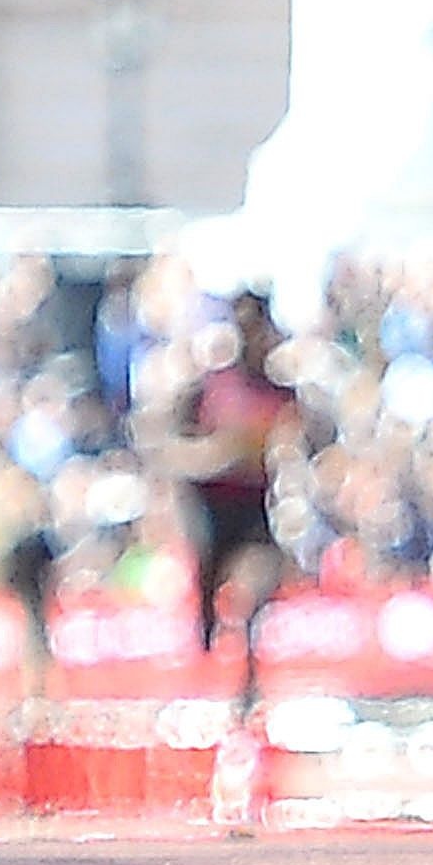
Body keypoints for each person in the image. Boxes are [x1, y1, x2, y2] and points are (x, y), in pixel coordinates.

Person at [161, 291, 305, 713]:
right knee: (208, 590)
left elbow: (304, 445)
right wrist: (214, 456)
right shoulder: (210, 388)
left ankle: (248, 686)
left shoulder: (282, 393)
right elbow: (168, 447)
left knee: (258, 586)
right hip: (211, 507)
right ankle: (202, 674)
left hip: (254, 506)